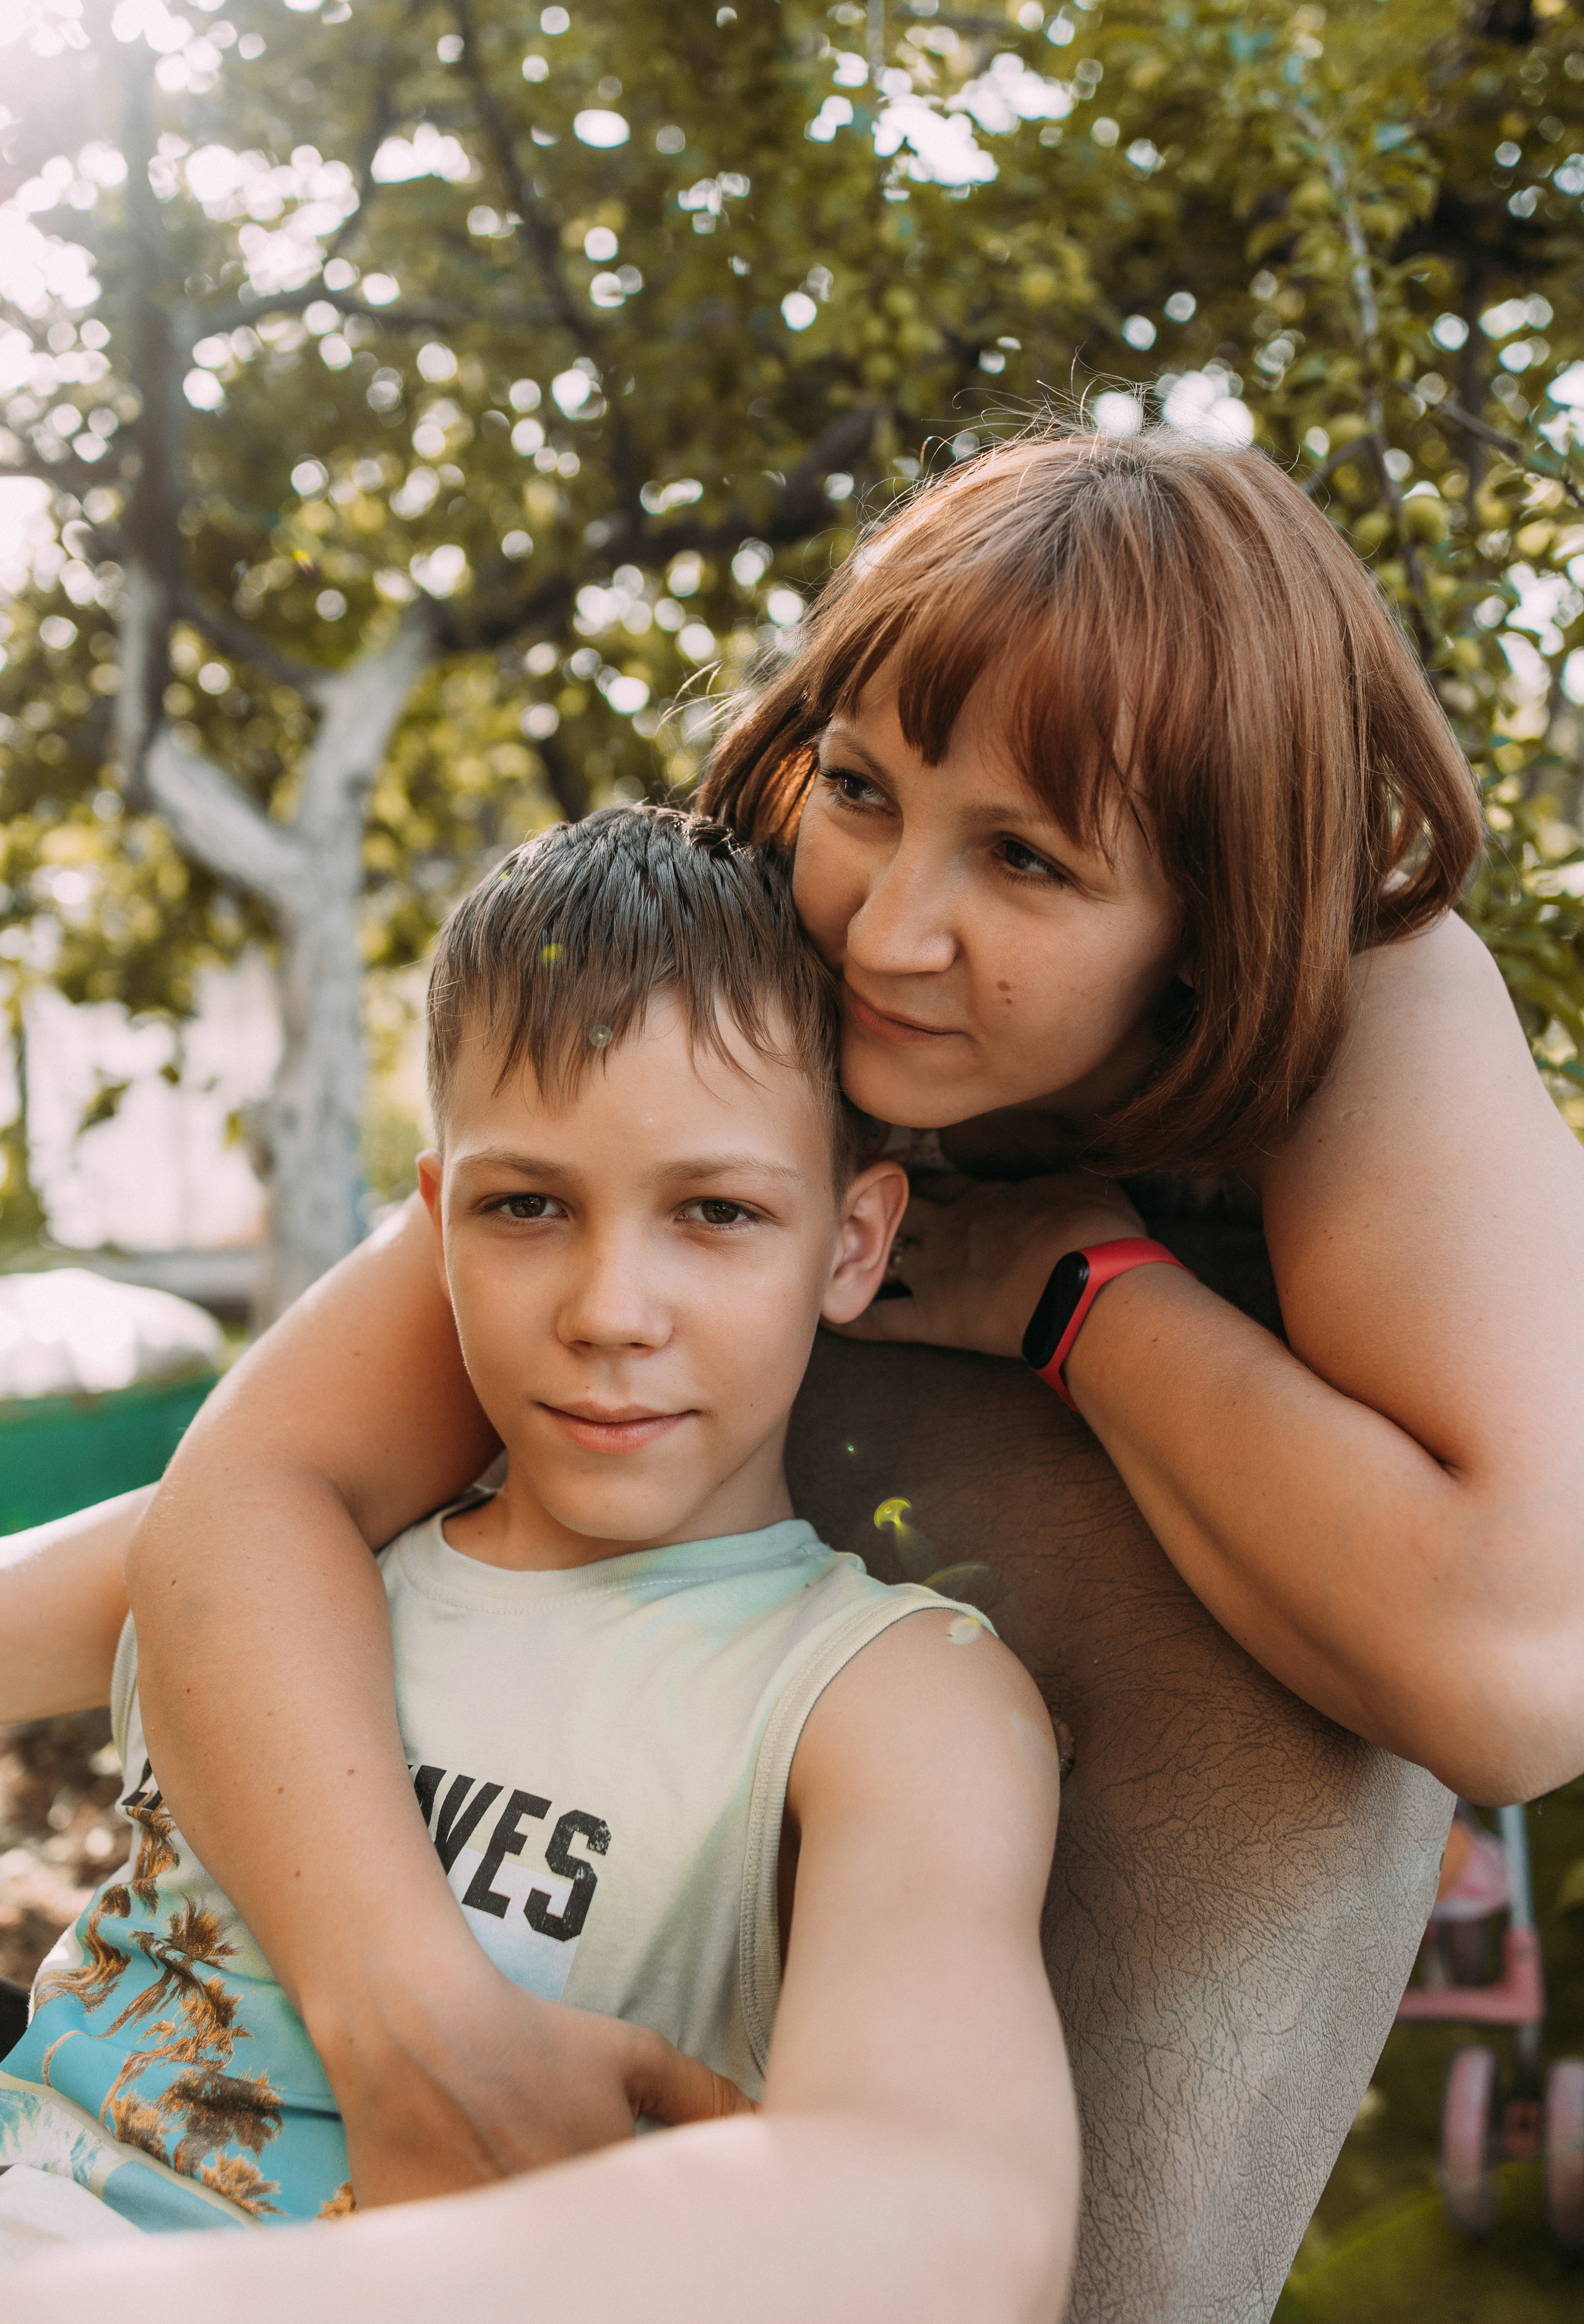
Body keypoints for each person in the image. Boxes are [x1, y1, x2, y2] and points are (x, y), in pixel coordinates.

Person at [32, 423, 1584, 2214]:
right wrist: (411, 2019)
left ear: (1218, 919)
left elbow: (1518, 1672)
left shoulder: (1368, 1005)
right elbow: (260, 1488)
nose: (884, 927)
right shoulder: (762, 929)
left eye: (1029, 863)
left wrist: (1078, 1292)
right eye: (862, 788)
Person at [1, 809, 1074, 2318]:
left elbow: (965, 2220)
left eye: (714, 1212)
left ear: (849, 1242)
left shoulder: (884, 1694)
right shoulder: (281, 1552)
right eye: (526, 1208)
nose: (609, 1308)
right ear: (435, 1228)